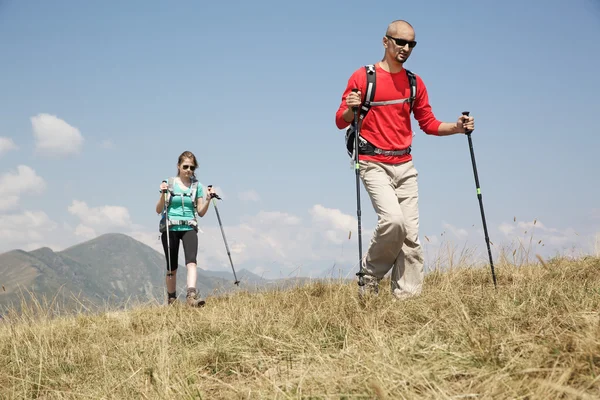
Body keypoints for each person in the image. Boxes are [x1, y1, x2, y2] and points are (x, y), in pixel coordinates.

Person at [334, 20, 475, 300]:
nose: (406, 48)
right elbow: (341, 120)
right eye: (400, 42)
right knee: (393, 222)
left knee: (410, 237)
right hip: (372, 161)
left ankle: (407, 301)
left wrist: (457, 128)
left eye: (411, 44)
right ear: (385, 42)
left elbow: (429, 123)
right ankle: (371, 276)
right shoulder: (364, 77)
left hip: (405, 165)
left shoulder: (414, 83)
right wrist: (351, 109)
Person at [155, 150, 215, 307]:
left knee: (192, 262)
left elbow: (200, 212)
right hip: (170, 227)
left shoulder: (198, 187)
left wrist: (208, 199)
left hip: (189, 226)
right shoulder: (169, 183)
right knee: (171, 267)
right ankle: (172, 299)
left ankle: (191, 296)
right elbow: (158, 209)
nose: (189, 170)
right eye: (186, 166)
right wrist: (163, 193)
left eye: (192, 167)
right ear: (178, 166)